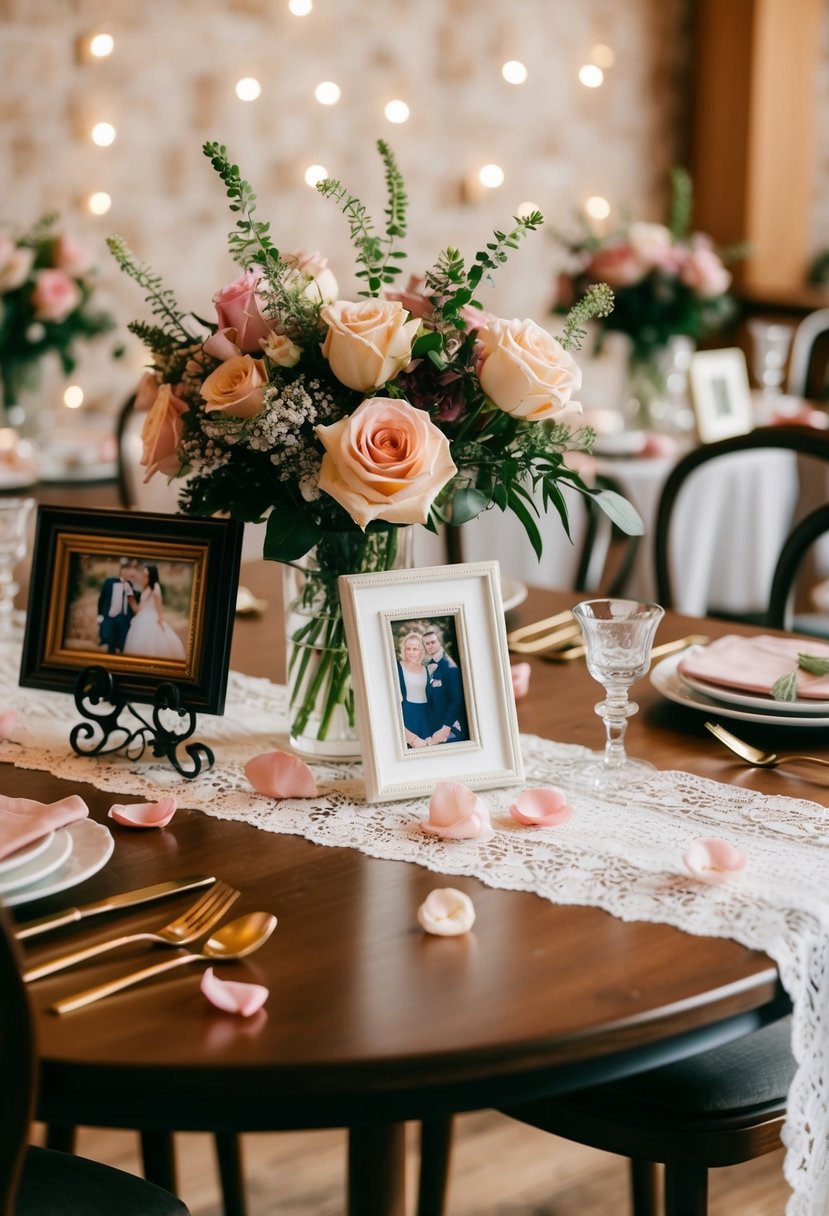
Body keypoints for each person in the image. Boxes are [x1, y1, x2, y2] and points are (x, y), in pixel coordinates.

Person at [122, 564, 186, 660]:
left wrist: (160, 621)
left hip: (152, 618)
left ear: (151, 576)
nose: (144, 577)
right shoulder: (146, 588)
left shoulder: (155, 587)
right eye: (144, 575)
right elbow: (141, 607)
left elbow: (159, 607)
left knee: (152, 643)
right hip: (142, 618)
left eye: (146, 575)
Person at [423, 627, 468, 744]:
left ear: (439, 642)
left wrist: (446, 727)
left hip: (451, 729)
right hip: (435, 727)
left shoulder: (450, 667)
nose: (430, 646)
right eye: (427, 644)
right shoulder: (428, 665)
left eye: (433, 642)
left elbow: (457, 700)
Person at [97, 557, 139, 655]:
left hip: (124, 619)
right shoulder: (109, 582)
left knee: (122, 645)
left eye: (129, 570)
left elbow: (132, 603)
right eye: (125, 569)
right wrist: (99, 615)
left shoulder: (130, 585)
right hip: (111, 617)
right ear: (121, 570)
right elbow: (101, 599)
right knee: (110, 645)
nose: (127, 572)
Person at [397, 631, 431, 748]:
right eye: (408, 649)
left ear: (421, 650)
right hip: (407, 717)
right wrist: (411, 738)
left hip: (426, 719)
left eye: (415, 649)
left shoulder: (427, 670)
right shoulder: (396, 668)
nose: (411, 652)